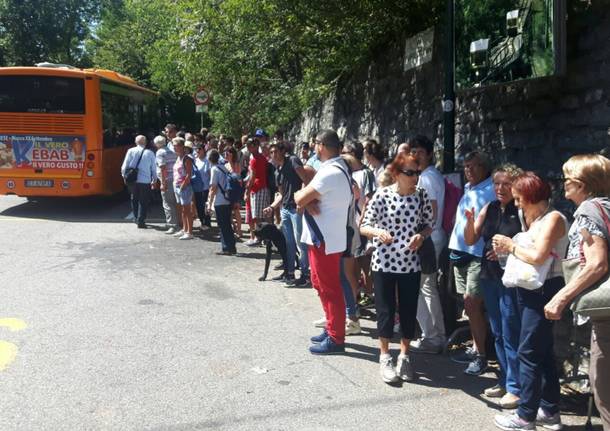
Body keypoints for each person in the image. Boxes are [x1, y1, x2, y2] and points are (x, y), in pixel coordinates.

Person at [492, 172, 569, 431]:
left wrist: (510, 246)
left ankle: (525, 416)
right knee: (543, 351)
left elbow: (537, 256)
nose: (516, 205)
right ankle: (550, 411)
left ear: (531, 196)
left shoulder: (554, 218)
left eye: (519, 199)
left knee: (528, 352)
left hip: (544, 289)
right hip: (530, 289)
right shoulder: (534, 218)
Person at [544, 154, 610, 430]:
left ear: (582, 184)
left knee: (604, 386)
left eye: (567, 179)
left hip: (606, 314)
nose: (563, 186)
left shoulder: (587, 212)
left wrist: (561, 297)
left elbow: (597, 263)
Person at [360, 153, 434, 383]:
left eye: (418, 172)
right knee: (386, 310)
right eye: (410, 173)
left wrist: (421, 237)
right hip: (384, 262)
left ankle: (404, 356)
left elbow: (429, 225)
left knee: (409, 311)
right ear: (397, 173)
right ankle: (384, 357)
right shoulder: (382, 195)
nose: (415, 177)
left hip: (410, 263)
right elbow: (363, 225)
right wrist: (377, 233)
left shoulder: (421, 195)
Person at [463, 164, 523, 409]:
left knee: (511, 333)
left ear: (516, 185)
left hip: (511, 279)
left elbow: (530, 244)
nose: (500, 188)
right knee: (498, 332)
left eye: (506, 183)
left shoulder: (521, 211)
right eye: (497, 183)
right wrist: (469, 221)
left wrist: (507, 249)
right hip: (489, 277)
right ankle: (506, 381)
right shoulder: (490, 208)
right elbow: (471, 239)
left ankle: (517, 387)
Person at [295, 129, 351, 355]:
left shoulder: (330, 173)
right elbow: (303, 199)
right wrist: (307, 201)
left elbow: (299, 197)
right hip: (323, 238)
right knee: (320, 285)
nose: (314, 148)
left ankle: (336, 338)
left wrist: (305, 200)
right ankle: (332, 328)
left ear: (322, 145)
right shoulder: (334, 169)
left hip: (324, 239)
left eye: (316, 144)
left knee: (330, 289)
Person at [448, 151, 496, 375]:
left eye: (474, 166)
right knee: (469, 305)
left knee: (472, 302)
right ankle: (478, 347)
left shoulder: (492, 188)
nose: (469, 170)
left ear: (484, 167)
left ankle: (481, 355)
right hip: (461, 251)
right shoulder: (469, 187)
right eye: (466, 166)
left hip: (478, 253)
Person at [408, 135, 447, 354]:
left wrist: (421, 233)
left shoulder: (428, 178)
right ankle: (436, 334)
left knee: (423, 288)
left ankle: (432, 336)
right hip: (431, 235)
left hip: (428, 237)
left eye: (420, 152)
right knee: (427, 287)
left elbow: (431, 210)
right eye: (413, 151)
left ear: (430, 154)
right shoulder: (431, 176)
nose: (416, 155)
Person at [263, 142, 310, 286]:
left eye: (276, 151)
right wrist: (271, 207)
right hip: (285, 209)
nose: (274, 155)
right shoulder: (277, 171)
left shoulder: (293, 161)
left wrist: (302, 202)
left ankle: (305, 275)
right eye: (271, 152)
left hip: (296, 209)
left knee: (300, 243)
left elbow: (306, 180)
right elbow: (281, 194)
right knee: (289, 243)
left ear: (283, 151)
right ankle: (289, 273)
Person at [120, 135, 157, 229]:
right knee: (143, 201)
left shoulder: (130, 151)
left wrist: (124, 176)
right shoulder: (150, 153)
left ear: (136, 142)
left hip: (132, 180)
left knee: (134, 198)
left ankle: (136, 218)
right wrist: (154, 179)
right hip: (145, 180)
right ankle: (141, 220)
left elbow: (125, 165)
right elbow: (154, 168)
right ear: (145, 142)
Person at [208, 149, 237, 255]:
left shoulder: (214, 169)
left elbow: (213, 187)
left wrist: (210, 202)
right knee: (227, 224)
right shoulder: (224, 168)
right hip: (227, 199)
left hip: (220, 200)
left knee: (222, 225)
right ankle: (232, 246)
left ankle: (226, 248)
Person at [244, 137, 270, 246]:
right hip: (262, 188)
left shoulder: (255, 159)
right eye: (248, 145)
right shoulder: (261, 157)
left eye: (251, 145)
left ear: (256, 146)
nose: (249, 147)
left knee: (258, 216)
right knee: (262, 215)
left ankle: (259, 238)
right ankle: (265, 238)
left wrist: (247, 191)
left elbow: (252, 177)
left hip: (258, 188)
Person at [153, 135, 179, 234]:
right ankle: (176, 223)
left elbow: (162, 168)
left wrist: (163, 183)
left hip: (167, 180)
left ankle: (172, 225)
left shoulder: (160, 152)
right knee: (174, 203)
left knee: (167, 203)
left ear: (156, 144)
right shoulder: (171, 151)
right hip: (174, 179)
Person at [171, 137, 194, 240]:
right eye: (174, 146)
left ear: (181, 146)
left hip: (184, 187)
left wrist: (183, 185)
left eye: (176, 146)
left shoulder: (186, 158)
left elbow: (189, 175)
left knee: (187, 209)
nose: (174, 148)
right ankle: (184, 229)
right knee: (182, 210)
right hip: (177, 185)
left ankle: (189, 232)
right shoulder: (178, 157)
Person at [224, 146, 243, 237]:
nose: (226, 155)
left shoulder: (236, 164)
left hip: (235, 190)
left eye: (228, 153)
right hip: (227, 190)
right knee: (228, 211)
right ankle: (233, 227)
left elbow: (238, 179)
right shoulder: (224, 165)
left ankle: (239, 230)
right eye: (225, 153)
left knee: (236, 210)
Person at [194, 144, 212, 229]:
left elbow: (210, 174)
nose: (198, 151)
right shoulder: (195, 160)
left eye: (199, 149)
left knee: (205, 205)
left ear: (203, 150)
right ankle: (202, 221)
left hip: (206, 187)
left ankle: (207, 222)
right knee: (199, 206)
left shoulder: (207, 161)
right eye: (196, 149)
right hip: (197, 187)